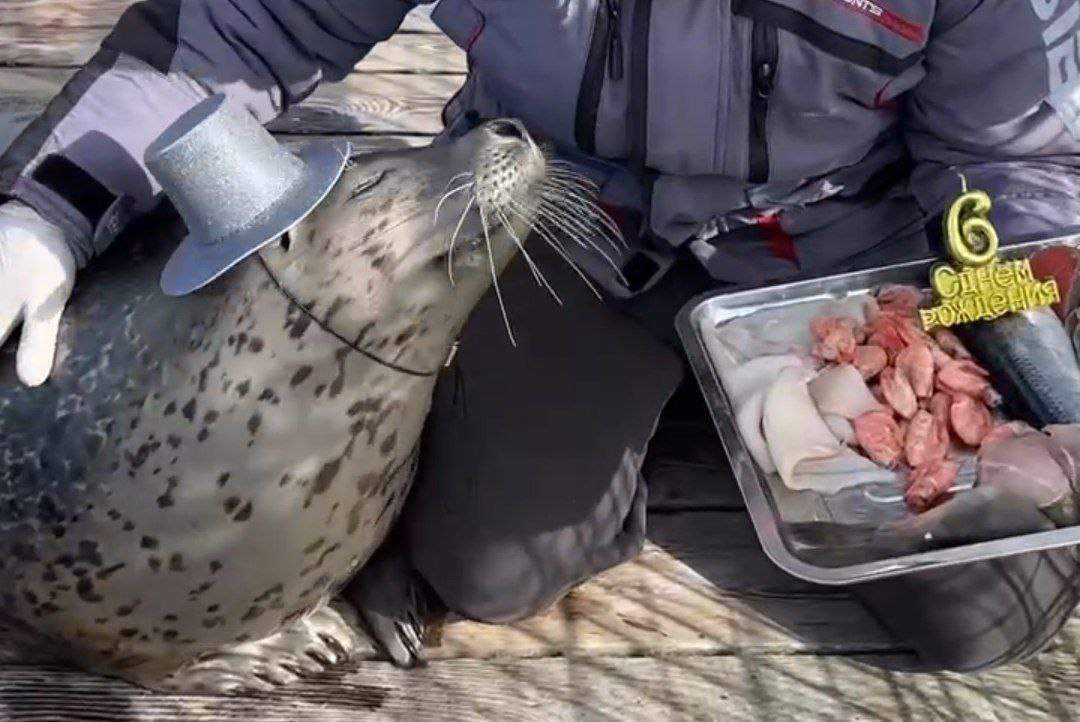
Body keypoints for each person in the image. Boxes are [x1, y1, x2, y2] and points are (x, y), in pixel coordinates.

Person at [4, 0, 1080, 665]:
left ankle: (727, 408)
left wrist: (1010, 304)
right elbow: (242, 22)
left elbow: (1013, 160)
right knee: (488, 564)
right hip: (560, 212)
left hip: (838, 255)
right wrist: (44, 211)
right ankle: (656, 413)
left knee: (988, 612)